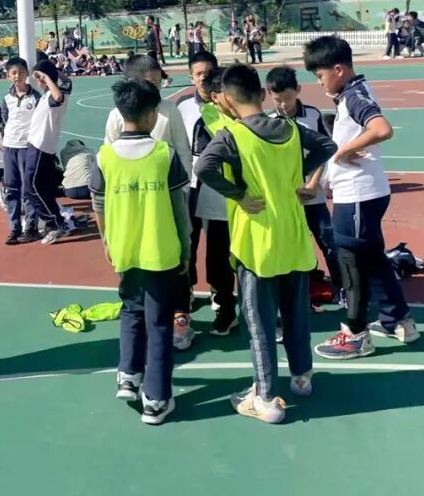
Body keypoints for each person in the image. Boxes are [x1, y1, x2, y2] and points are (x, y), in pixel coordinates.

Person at [195, 64, 336, 423]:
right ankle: (302, 377)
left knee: (258, 321)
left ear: (227, 101)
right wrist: (302, 177)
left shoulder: (232, 135)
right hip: (293, 236)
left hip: (256, 243)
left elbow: (203, 168)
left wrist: (238, 194)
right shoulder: (290, 127)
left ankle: (267, 397)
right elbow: (327, 145)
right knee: (296, 312)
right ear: (261, 94)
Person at [302, 35, 420, 359]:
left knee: (351, 262)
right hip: (366, 193)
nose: (319, 82)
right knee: (373, 258)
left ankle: (355, 334)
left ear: (338, 70)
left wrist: (344, 151)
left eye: (320, 75)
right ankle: (398, 321)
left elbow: (381, 129)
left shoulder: (354, 96)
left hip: (357, 196)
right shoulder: (353, 93)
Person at [90, 79, 191, 425]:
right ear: (151, 115)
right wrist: (186, 248)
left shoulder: (104, 156)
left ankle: (128, 374)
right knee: (160, 323)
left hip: (124, 249)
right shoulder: (165, 154)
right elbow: (179, 208)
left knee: (131, 309)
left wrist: (107, 242)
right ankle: (157, 399)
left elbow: (98, 205)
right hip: (160, 251)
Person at [177, 52, 239, 337]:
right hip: (189, 185)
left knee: (219, 250)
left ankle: (224, 303)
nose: (204, 77)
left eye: (209, 72)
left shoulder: (230, 106)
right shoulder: (182, 107)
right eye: (199, 73)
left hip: (220, 188)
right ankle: (186, 293)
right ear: (191, 77)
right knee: (186, 245)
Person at [265, 66, 342, 297]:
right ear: (269, 94)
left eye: (288, 98)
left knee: (328, 240)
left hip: (312, 195)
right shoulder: (268, 122)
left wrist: (313, 184)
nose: (284, 104)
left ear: (298, 90)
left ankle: (342, 286)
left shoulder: (313, 115)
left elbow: (324, 152)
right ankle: (304, 287)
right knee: (292, 244)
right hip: (285, 199)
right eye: (278, 100)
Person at [26, 59, 73, 245]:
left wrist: (46, 75)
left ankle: (54, 223)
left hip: (40, 147)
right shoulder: (57, 91)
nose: (36, 81)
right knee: (43, 188)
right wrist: (52, 72)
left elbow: (58, 96)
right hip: (40, 146)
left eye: (37, 78)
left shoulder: (56, 97)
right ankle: (57, 221)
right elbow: (68, 81)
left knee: (32, 187)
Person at [0, 57, 42, 244]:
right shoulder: (6, 99)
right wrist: (4, 138)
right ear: (8, 76)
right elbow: (5, 120)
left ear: (27, 74)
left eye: (21, 72)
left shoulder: (35, 97)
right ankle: (14, 228)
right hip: (9, 147)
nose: (18, 76)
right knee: (11, 188)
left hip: (27, 147)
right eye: (14, 73)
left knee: (28, 188)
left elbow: (40, 121)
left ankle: (31, 227)